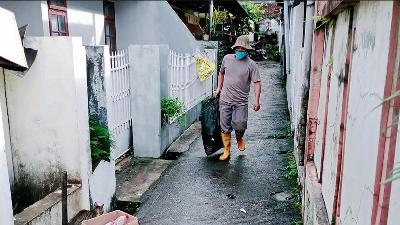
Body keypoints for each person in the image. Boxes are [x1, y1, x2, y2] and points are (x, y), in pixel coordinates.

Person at [214, 35, 262, 161]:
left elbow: (257, 83)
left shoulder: (252, 65)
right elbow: (221, 73)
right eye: (238, 48)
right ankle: (226, 150)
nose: (240, 50)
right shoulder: (227, 59)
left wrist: (257, 100)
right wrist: (219, 88)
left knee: (240, 125)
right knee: (224, 126)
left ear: (247, 50)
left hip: (241, 102)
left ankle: (239, 138)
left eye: (243, 49)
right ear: (235, 48)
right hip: (225, 99)